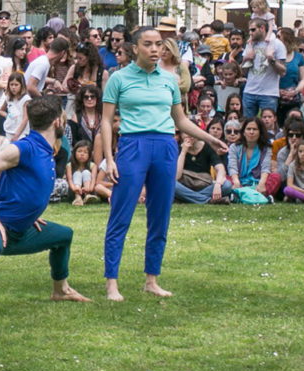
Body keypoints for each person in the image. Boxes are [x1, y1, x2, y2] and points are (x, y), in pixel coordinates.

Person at [98, 28, 229, 300]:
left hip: (166, 146)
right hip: (133, 145)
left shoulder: (170, 80)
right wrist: (109, 159)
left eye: (159, 44)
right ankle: (112, 282)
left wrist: (211, 139)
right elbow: (107, 122)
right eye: (148, 44)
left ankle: (152, 280)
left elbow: (181, 121)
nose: (155, 49)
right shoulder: (118, 78)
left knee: (160, 216)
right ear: (135, 48)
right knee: (120, 215)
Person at [0, 96, 88, 336]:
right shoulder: (25, 147)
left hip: (22, 228)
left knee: (63, 236)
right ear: (58, 121)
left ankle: (60, 289)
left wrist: (28, 212)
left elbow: (13, 181)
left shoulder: (45, 147)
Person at [238, 18, 287, 120]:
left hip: (268, 93)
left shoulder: (276, 44)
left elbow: (283, 72)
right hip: (250, 91)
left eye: (253, 30)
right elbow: (243, 72)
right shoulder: (250, 44)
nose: (250, 33)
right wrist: (245, 59)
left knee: (267, 124)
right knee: (247, 122)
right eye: (249, 30)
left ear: (262, 28)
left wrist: (271, 60)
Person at [173, 132, 227, 204]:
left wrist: (218, 184)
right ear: (181, 135)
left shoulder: (207, 147)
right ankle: (207, 200)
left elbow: (220, 168)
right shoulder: (177, 148)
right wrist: (183, 151)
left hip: (204, 185)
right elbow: (177, 176)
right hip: (184, 184)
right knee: (172, 185)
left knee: (227, 185)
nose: (189, 135)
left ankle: (185, 198)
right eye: (185, 133)